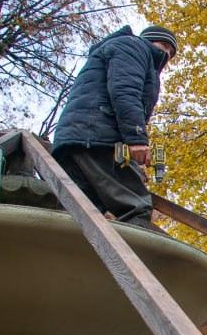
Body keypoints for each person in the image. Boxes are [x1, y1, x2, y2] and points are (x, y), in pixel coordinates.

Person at [51, 24, 177, 227]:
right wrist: (136, 139)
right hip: (98, 138)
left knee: (80, 215)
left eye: (171, 53)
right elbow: (125, 91)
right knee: (135, 208)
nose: (166, 54)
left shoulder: (120, 49)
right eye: (163, 45)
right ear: (148, 39)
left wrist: (132, 161)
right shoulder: (134, 47)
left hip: (77, 139)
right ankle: (139, 258)